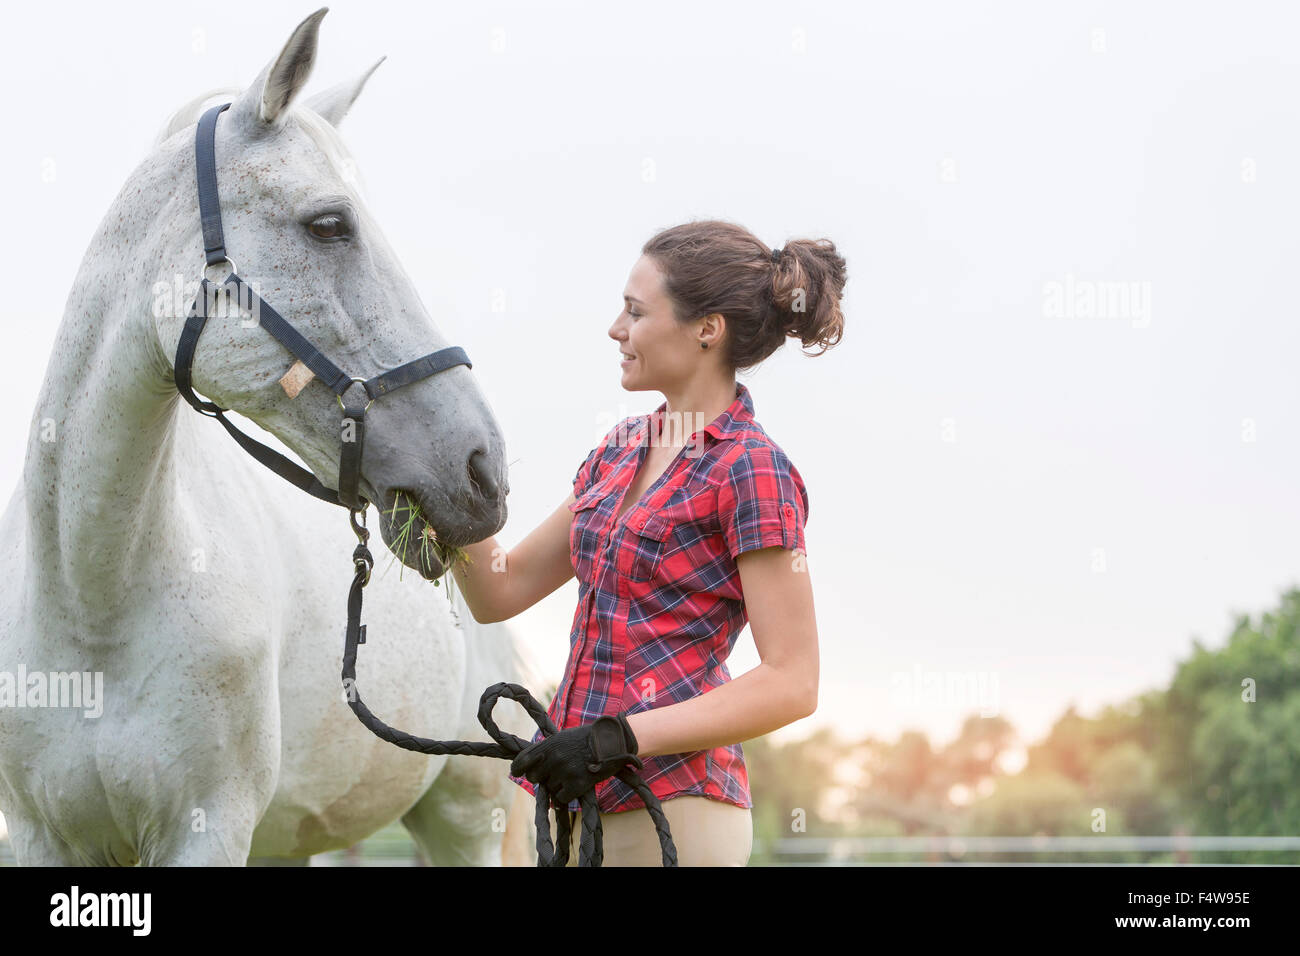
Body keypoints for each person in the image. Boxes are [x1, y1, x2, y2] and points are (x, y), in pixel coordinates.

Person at [449, 219, 846, 865]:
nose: (616, 329)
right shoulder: (619, 448)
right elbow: (501, 587)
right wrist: (440, 492)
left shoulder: (753, 469)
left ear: (706, 330)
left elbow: (792, 681)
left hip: (672, 803)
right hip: (560, 790)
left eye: (635, 312)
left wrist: (611, 741)